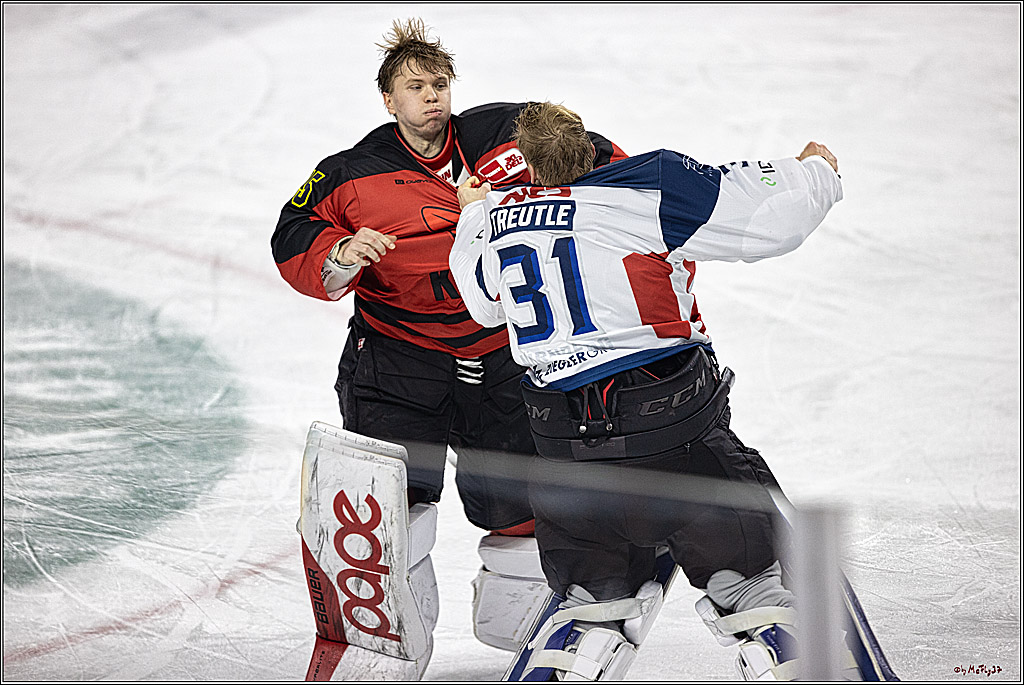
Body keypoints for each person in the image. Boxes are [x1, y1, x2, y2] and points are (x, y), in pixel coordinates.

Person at [271, 19, 627, 667]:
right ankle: (390, 644)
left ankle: (519, 623)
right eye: (415, 86)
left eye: (439, 83)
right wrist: (342, 252)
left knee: (521, 509)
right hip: (398, 362)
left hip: (504, 358)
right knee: (391, 514)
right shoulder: (351, 173)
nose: (431, 95)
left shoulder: (505, 133)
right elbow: (293, 234)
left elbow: (591, 153)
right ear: (389, 100)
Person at [450, 102, 846, 680]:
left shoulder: (496, 221)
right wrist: (813, 172)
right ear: (591, 149)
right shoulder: (645, 189)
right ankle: (767, 624)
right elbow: (769, 219)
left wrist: (471, 215)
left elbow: (484, 306)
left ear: (529, 165)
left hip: (563, 452)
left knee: (592, 602)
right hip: (671, 434)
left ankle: (591, 621)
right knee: (751, 580)